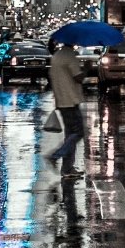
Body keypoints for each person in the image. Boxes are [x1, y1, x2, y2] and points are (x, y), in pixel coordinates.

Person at [44, 40, 87, 179]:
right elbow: (78, 77)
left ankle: (67, 169)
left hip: (62, 101)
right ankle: (55, 156)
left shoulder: (56, 56)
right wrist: (87, 68)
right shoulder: (69, 56)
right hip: (71, 101)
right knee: (79, 132)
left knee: (70, 136)